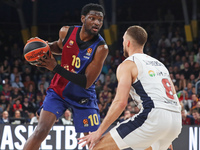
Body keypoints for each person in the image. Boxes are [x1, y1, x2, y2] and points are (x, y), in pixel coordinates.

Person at [78, 25, 182, 150]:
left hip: (154, 117)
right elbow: (174, 99)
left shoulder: (128, 64)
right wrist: (165, 131)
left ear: (127, 42)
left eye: (123, 40)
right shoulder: (160, 65)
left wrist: (98, 132)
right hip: (175, 120)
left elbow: (120, 103)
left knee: (97, 148)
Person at [23, 3, 108, 150]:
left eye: (100, 20)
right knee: (41, 130)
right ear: (83, 18)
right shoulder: (66, 31)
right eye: (92, 18)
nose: (96, 22)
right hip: (58, 91)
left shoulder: (101, 48)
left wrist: (55, 67)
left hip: (84, 96)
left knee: (93, 141)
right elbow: (58, 46)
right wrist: (42, 47)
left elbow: (86, 82)